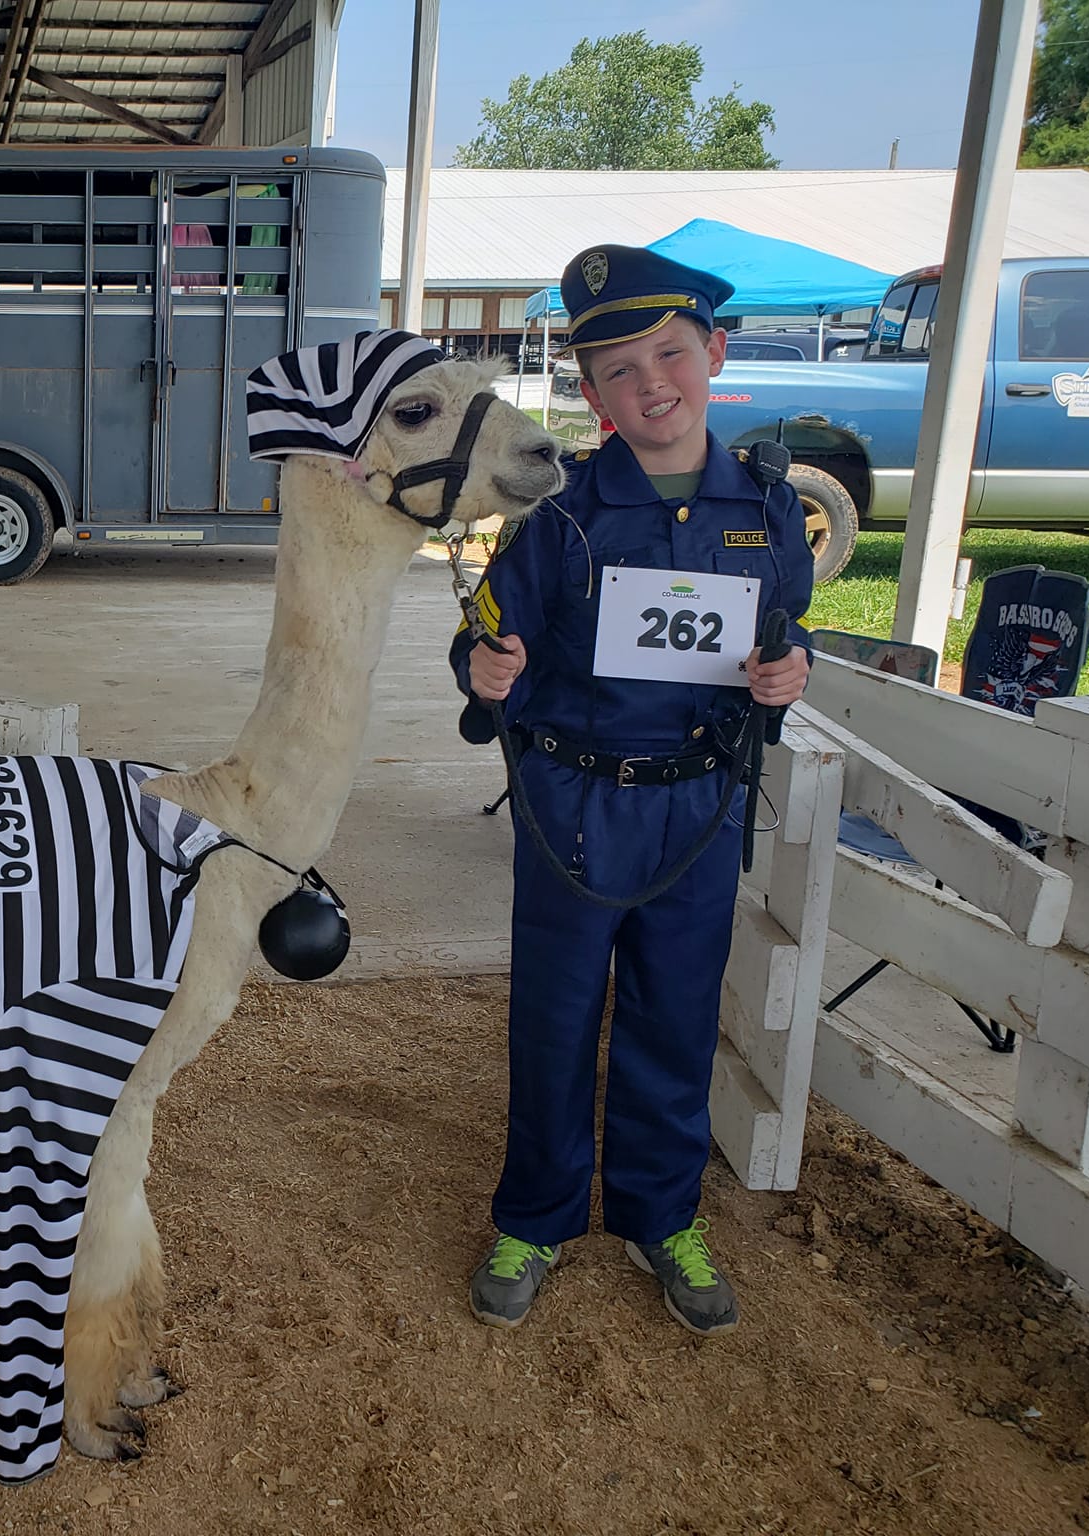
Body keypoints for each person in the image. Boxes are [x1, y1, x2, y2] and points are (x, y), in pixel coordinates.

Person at [453, 246, 813, 1337]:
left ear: (712, 351)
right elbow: (483, 633)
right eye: (615, 368)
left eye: (667, 354)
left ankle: (662, 1215)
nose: (647, 383)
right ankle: (534, 1216)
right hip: (573, 803)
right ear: (590, 391)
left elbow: (779, 638)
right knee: (553, 1019)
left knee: (674, 1020)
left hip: (695, 810)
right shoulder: (556, 513)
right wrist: (483, 668)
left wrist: (784, 678)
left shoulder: (766, 507)